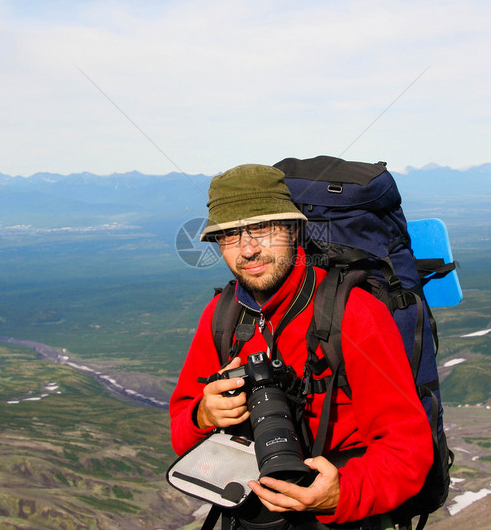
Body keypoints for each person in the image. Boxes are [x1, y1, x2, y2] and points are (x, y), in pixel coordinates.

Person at [170, 164, 432, 528]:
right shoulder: (223, 316)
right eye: (230, 235)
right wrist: (204, 416)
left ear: (293, 230)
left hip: (343, 517)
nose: (248, 249)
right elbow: (182, 432)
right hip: (255, 513)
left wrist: (342, 494)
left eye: (262, 228)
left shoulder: (353, 313)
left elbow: (409, 452)